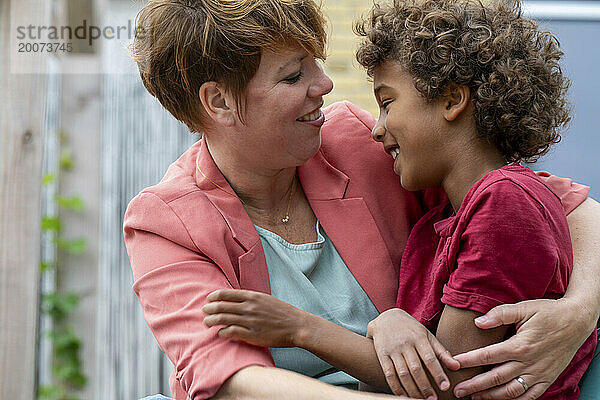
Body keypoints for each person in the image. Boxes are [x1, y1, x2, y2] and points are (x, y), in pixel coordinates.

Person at [123, 0, 600, 399]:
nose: (324, 85)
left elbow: (562, 204)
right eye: (293, 76)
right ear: (219, 102)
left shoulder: (353, 140)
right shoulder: (164, 223)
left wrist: (580, 310)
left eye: (316, 62)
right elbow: (235, 382)